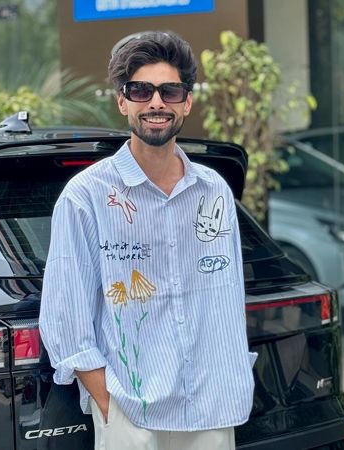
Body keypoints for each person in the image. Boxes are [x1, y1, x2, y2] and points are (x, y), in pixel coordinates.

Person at [39, 30, 256, 450]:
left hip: (211, 408)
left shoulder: (213, 190)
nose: (156, 102)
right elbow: (65, 313)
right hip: (130, 410)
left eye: (169, 91)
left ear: (186, 102)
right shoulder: (87, 196)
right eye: (141, 90)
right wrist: (109, 403)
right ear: (123, 101)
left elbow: (228, 295)